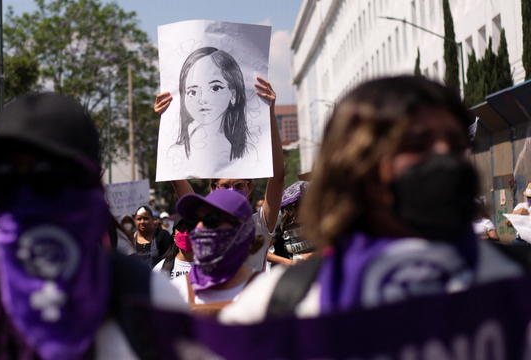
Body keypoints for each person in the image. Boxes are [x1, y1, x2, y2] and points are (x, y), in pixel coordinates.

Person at [220, 76, 524, 324]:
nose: (444, 156)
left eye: (456, 141)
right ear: (356, 166)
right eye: (418, 144)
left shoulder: (512, 280)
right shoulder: (287, 302)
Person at [0, 92, 185, 359]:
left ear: (89, 179)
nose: (32, 187)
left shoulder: (148, 297)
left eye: (51, 172)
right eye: (11, 172)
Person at [155, 77, 284, 274]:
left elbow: (278, 177)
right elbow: (177, 180)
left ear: (250, 188)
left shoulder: (260, 225)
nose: (232, 191)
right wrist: (167, 122)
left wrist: (270, 114)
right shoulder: (204, 221)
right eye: (225, 186)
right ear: (213, 188)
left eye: (239, 186)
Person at [170, 189, 258, 316]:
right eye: (193, 222)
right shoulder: (174, 292)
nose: (199, 228)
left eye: (211, 219)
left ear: (244, 230)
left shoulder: (268, 291)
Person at [163, 47, 252, 167]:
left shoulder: (246, 151)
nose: (202, 99)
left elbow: (278, 176)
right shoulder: (177, 152)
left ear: (233, 95)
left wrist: (270, 110)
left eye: (215, 88)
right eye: (192, 92)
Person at [268, 181, 313, 267]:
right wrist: (290, 262)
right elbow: (263, 252)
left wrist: (312, 255)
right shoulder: (280, 222)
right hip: (289, 273)